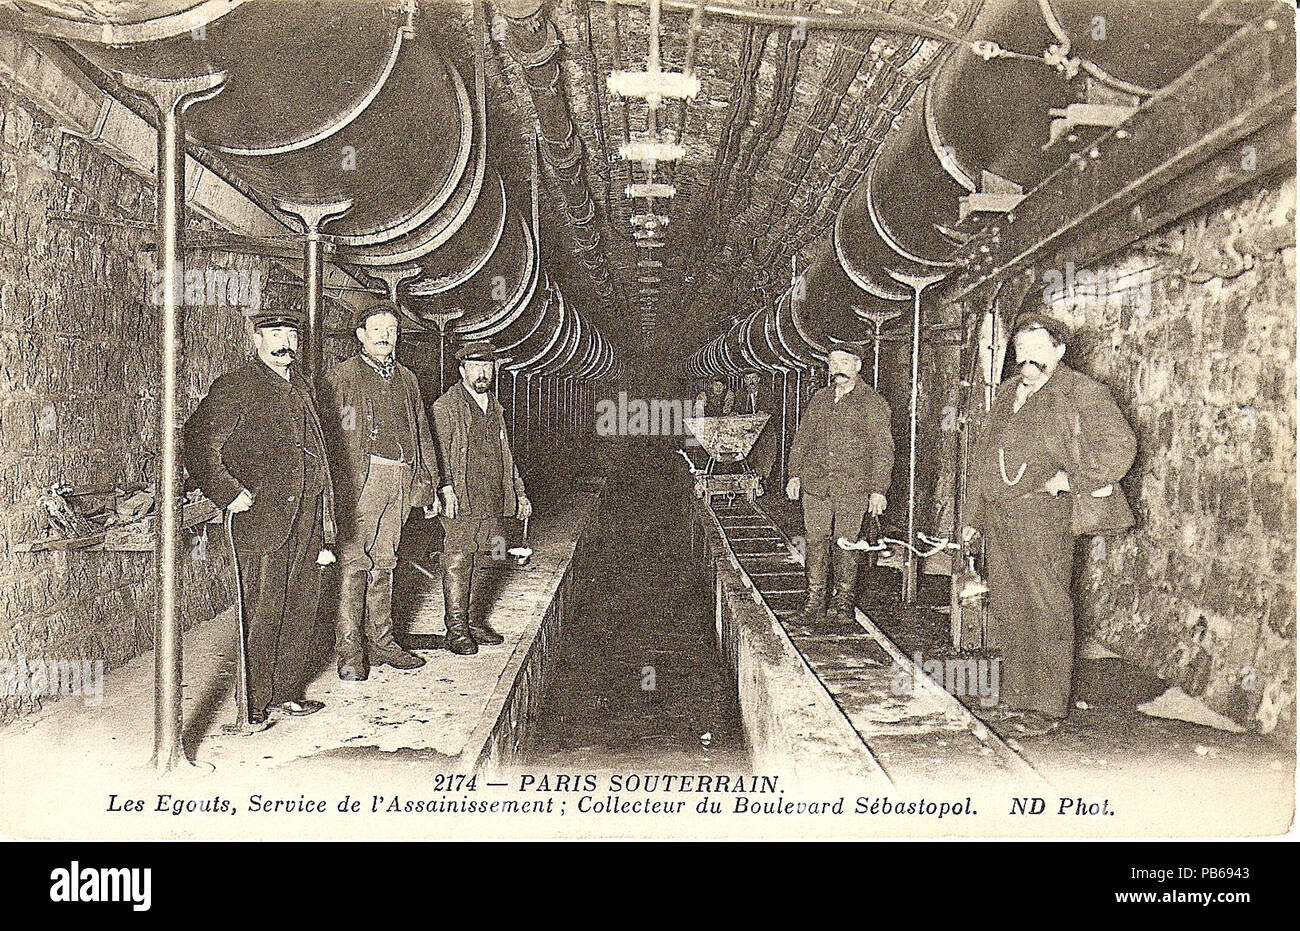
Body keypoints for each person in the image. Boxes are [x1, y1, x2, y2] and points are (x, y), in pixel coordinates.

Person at [964, 311, 1136, 737]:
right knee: (1009, 604)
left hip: (1045, 515)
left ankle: (1047, 705)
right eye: (1022, 350)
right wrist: (972, 516)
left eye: (1039, 349)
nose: (1029, 359)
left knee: (1047, 605)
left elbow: (1121, 445)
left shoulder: (1081, 392)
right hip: (1001, 515)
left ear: (1058, 351)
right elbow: (985, 456)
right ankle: (1016, 697)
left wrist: (1072, 480)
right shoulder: (1006, 394)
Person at [183, 307, 336, 724]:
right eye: (274, 334)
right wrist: (228, 493)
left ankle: (286, 692)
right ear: (256, 339)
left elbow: (318, 451)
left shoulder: (302, 386)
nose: (284, 342)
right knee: (263, 611)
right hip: (262, 518)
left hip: (305, 514)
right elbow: (197, 444)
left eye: (290, 334)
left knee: (302, 605)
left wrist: (325, 517)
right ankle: (252, 704)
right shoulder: (236, 386)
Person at [320, 299, 441, 681]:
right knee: (355, 564)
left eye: (392, 330)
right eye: (378, 330)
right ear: (361, 336)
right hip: (363, 479)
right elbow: (329, 436)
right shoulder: (342, 376)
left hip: (400, 479)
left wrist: (429, 483)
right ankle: (350, 651)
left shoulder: (406, 378)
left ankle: (383, 642)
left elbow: (422, 431)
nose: (386, 337)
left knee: (385, 562)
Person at [431, 341, 532, 655]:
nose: (482, 372)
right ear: (462, 370)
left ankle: (473, 621)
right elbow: (438, 453)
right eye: (475, 366)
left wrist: (518, 492)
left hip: (490, 495)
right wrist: (444, 488)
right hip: (461, 495)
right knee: (458, 558)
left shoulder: (494, 407)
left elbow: (506, 455)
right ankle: (456, 628)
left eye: (487, 367)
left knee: (483, 557)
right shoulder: (446, 406)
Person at [786, 343, 894, 625]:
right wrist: (794, 474)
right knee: (815, 540)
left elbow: (883, 450)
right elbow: (802, 440)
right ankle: (814, 601)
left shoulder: (872, 402)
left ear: (857, 366)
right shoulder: (819, 399)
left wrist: (878, 490)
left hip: (852, 487)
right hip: (817, 485)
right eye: (833, 364)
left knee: (846, 543)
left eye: (844, 363)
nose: (838, 369)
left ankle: (843, 604)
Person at [736, 368, 778, 485]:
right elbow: (737, 410)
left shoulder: (766, 392)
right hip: (747, 430)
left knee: (766, 451)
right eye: (748, 379)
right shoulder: (740, 394)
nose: (751, 381)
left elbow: (774, 409)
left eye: (754, 378)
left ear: (758, 379)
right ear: (745, 381)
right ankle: (749, 476)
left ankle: (762, 478)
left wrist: (764, 412)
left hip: (764, 429)